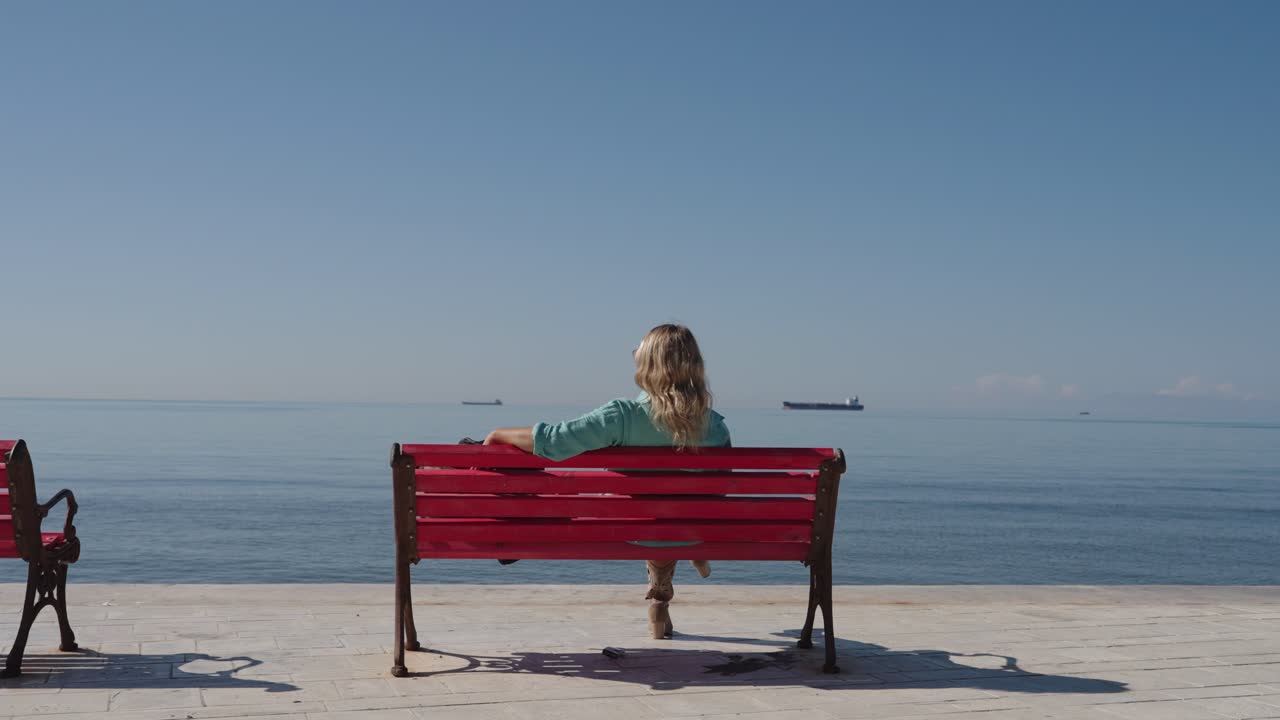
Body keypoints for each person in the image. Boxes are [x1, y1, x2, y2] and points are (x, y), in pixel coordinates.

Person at [484, 323, 731, 639]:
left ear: (649, 364)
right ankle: (675, 579)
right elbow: (720, 489)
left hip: (631, 526)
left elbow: (557, 440)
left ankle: (662, 591)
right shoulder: (715, 426)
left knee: (647, 512)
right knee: (669, 513)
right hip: (691, 527)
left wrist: (498, 434)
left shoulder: (622, 415)